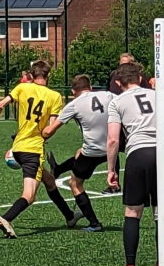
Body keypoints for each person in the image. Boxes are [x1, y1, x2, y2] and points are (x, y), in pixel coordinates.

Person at [107, 62, 164, 266]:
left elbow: (113, 139)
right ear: (140, 79)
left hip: (138, 154)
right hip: (163, 153)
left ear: (117, 82)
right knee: (161, 212)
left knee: (133, 212)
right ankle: (161, 265)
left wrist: (111, 169)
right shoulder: (159, 95)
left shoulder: (117, 101)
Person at [0, 61, 83, 238]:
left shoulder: (22, 88)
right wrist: (44, 135)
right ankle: (6, 218)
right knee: (29, 196)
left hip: (18, 147)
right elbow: (50, 127)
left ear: (31, 75)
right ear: (49, 75)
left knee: (49, 181)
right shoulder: (54, 96)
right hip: (33, 150)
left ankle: (69, 216)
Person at [42, 75, 113, 232]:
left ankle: (94, 223)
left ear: (73, 91)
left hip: (94, 151)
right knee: (79, 153)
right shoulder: (108, 95)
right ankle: (58, 169)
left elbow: (49, 131)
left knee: (75, 184)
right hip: (113, 147)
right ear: (90, 87)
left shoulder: (74, 105)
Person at [104, 53, 153, 194]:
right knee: (115, 146)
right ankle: (115, 179)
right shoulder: (115, 76)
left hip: (135, 119)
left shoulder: (140, 79)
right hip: (119, 115)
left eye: (127, 64)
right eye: (121, 63)